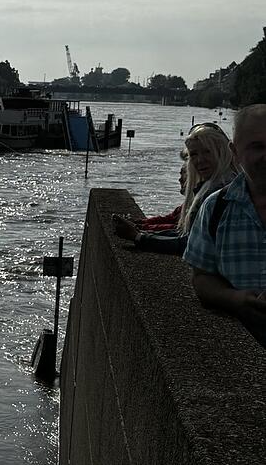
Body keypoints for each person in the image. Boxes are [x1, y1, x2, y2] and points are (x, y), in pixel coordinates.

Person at [184, 105, 266, 331]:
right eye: (257, 147)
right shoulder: (215, 207)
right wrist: (235, 299)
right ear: (235, 152)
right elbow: (201, 277)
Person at [114, 123, 236, 254]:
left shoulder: (220, 192)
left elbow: (189, 244)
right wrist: (142, 232)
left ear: (222, 151)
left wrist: (138, 236)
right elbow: (185, 233)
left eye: (207, 152)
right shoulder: (218, 184)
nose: (200, 160)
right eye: (194, 154)